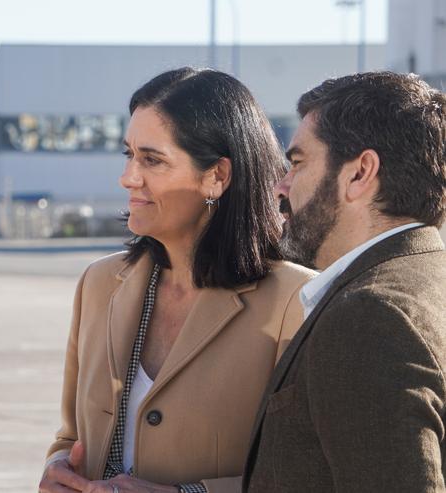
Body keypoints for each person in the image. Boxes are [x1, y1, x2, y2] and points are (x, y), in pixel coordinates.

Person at [39, 68, 315, 493]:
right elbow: (71, 436)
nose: (128, 177)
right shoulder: (99, 284)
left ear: (217, 176)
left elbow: (309, 472)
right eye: (128, 154)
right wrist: (59, 468)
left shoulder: (295, 301)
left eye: (152, 160)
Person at [242, 72, 446, 492]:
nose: (281, 186)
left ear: (359, 174)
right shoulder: (426, 278)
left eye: (297, 163)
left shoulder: (371, 316)